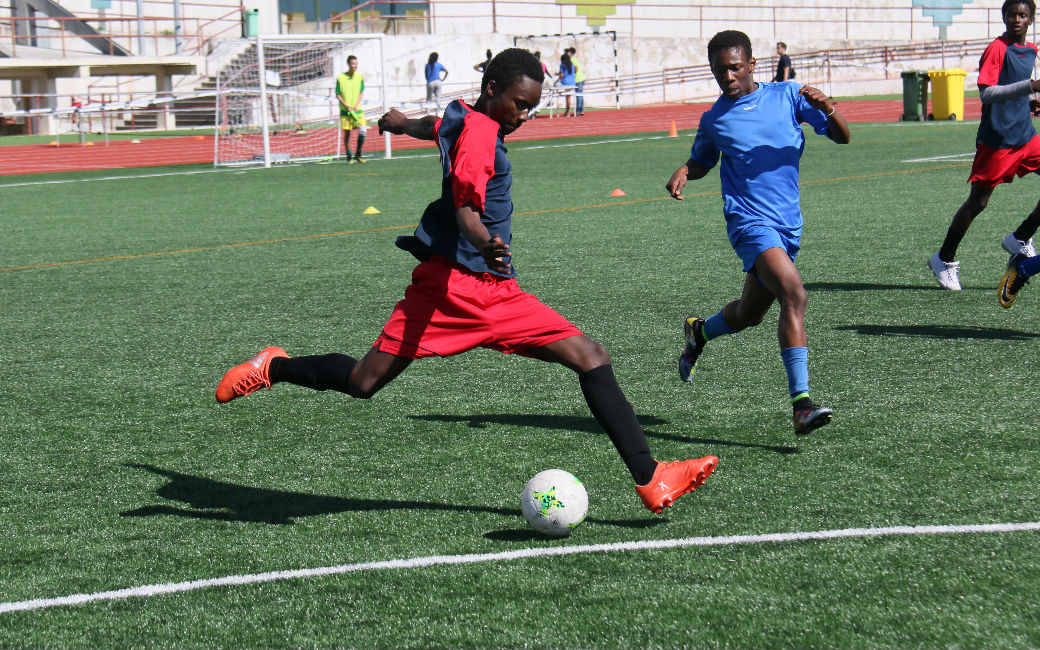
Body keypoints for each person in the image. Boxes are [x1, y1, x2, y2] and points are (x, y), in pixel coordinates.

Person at [215, 48, 718, 515]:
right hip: (464, 287)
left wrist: (401, 123)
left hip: (472, 287)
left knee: (367, 381)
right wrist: (484, 242)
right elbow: (464, 208)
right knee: (587, 358)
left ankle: (651, 477)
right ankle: (274, 366)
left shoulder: (466, 115)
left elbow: (438, 125)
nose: (523, 116)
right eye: (519, 104)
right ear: (493, 87)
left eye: (532, 108)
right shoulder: (480, 135)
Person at [665, 30, 851, 435]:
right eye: (719, 70)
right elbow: (702, 160)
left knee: (751, 314)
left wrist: (828, 109)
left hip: (787, 224)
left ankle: (699, 331)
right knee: (794, 293)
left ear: (751, 64)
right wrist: (685, 170)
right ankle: (801, 403)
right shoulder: (715, 119)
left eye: (734, 67)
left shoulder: (787, 96)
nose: (727, 77)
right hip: (748, 221)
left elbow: (843, 136)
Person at [928, 0, 1040, 290]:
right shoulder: (997, 48)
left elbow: (1014, 90)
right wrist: (1031, 87)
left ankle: (1021, 237)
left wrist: (1031, 102)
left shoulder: (1030, 51)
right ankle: (944, 258)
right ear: (1003, 17)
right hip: (997, 142)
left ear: (1031, 20)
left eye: (1023, 15)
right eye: (1011, 14)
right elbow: (988, 93)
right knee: (978, 202)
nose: (1016, 19)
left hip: (1026, 137)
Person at [335, 55, 366, 163]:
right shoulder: (340, 78)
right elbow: (337, 94)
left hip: (358, 111)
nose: (355, 66)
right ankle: (349, 156)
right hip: (345, 111)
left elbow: (361, 92)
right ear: (348, 64)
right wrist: (346, 105)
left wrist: (356, 105)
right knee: (347, 134)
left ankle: (358, 154)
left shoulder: (359, 77)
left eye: (356, 64)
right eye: (353, 64)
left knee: (363, 130)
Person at [566, 46, 586, 116]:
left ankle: (579, 110)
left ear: (570, 53)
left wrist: (571, 73)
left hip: (579, 79)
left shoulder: (572, 59)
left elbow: (576, 68)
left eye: (568, 52)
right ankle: (581, 110)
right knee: (579, 94)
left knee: (579, 95)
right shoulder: (572, 59)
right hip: (579, 79)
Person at [556, 52, 576, 117]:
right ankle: (567, 112)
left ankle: (557, 93)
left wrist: (556, 81)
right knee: (568, 97)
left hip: (565, 83)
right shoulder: (572, 65)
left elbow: (561, 75)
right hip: (572, 83)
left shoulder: (562, 65)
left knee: (555, 84)